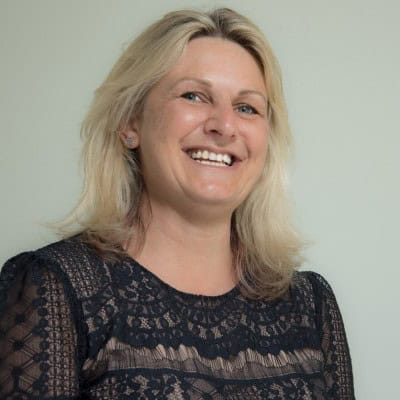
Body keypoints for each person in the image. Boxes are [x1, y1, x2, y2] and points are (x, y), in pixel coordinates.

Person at [0, 8, 354, 399]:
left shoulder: (310, 305)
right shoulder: (56, 288)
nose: (224, 125)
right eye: (194, 96)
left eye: (247, 108)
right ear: (130, 122)